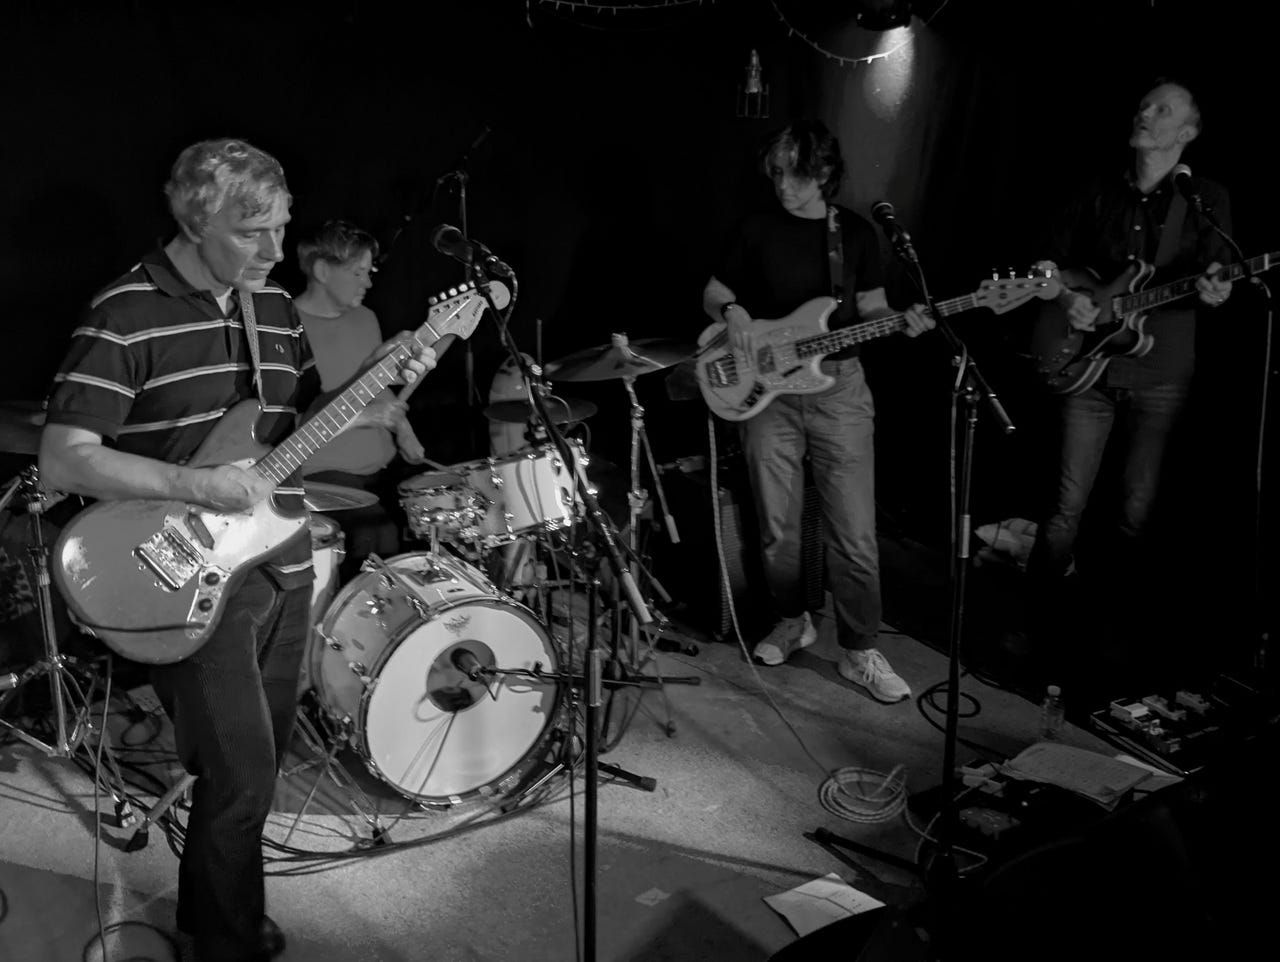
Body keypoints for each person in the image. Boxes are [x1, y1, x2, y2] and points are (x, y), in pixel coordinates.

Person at [38, 138, 436, 962]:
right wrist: (197, 486)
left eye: (282, 228)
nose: (276, 251)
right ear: (194, 220)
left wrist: (370, 390)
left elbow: (289, 429)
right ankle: (223, 944)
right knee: (242, 772)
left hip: (278, 558)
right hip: (178, 569)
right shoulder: (125, 312)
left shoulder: (273, 308)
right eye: (253, 233)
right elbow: (65, 459)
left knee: (257, 765)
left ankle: (216, 918)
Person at [701, 119, 934, 704]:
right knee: (777, 527)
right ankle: (791, 619)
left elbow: (872, 306)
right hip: (767, 396)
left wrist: (901, 323)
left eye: (796, 174)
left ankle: (859, 649)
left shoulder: (853, 233)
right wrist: (732, 312)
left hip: (840, 391)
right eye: (777, 173)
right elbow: (714, 291)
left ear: (825, 171)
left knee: (854, 533)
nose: (783, 185)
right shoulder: (756, 228)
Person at [1027, 79, 1232, 678]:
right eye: (1145, 105)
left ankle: (1107, 637)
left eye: (1162, 109)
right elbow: (1044, 262)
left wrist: (1217, 289)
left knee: (1135, 514)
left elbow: (1217, 272)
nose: (1145, 113)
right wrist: (1065, 298)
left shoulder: (1205, 198)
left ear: (1187, 132)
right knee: (1064, 507)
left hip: (1161, 371)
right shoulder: (1097, 191)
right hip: (1087, 367)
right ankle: (1036, 625)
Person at [294, 219, 426, 579]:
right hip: (323, 477)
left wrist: (404, 430)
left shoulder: (366, 318)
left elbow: (378, 389)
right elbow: (293, 421)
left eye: (370, 272)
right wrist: (367, 416)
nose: (368, 283)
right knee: (377, 537)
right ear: (322, 271)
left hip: (382, 470)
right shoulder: (289, 328)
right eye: (358, 273)